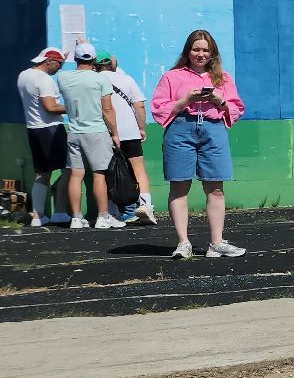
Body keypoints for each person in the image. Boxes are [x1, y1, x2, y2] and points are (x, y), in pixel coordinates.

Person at [151, 29, 248, 260]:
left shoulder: (223, 78)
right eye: (196, 49)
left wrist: (219, 99)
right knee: (179, 186)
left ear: (212, 52)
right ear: (188, 51)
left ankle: (216, 243)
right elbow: (158, 107)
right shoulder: (171, 77)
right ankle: (183, 242)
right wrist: (186, 100)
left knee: (215, 188)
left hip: (213, 130)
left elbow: (237, 108)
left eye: (205, 49)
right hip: (181, 129)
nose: (201, 54)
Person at [55, 43, 123, 230]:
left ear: (75, 59)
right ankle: (103, 216)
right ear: (94, 60)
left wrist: (62, 58)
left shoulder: (63, 77)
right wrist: (115, 133)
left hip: (74, 132)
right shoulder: (100, 80)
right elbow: (107, 109)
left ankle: (76, 217)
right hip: (96, 131)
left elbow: (62, 70)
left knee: (75, 175)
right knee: (99, 174)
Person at [98, 50, 159, 225]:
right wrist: (141, 128)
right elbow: (139, 105)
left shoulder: (94, 81)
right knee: (138, 169)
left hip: (105, 132)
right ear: (111, 64)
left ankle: (111, 211)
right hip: (130, 131)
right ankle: (146, 206)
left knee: (107, 171)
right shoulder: (126, 79)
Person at [16, 47, 71, 227]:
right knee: (69, 169)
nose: (59, 69)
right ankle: (60, 212)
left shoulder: (24, 75)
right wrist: (75, 106)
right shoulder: (45, 79)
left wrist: (62, 56)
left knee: (42, 174)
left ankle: (38, 216)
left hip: (33, 128)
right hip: (51, 129)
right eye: (59, 64)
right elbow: (51, 107)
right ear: (48, 60)